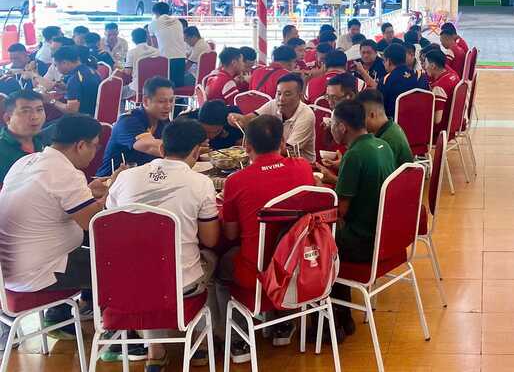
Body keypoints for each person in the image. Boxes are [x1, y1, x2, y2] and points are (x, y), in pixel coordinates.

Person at [106, 119, 219, 369]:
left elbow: (110, 224)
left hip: (123, 286)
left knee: (144, 261)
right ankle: (199, 344)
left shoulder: (125, 178)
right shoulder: (201, 183)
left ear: (161, 148)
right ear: (196, 152)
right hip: (180, 287)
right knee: (210, 259)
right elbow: (210, 240)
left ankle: (155, 351)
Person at [0, 114, 107, 330]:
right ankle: (118, 335)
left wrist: (87, 191)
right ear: (80, 145)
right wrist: (112, 193)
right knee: (119, 264)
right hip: (42, 273)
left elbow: (51, 201)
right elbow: (94, 224)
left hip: (11, 272)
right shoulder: (65, 172)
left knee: (89, 250)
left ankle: (62, 315)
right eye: (95, 146)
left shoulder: (26, 162)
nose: (95, 152)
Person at [220, 115, 314, 359]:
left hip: (258, 274)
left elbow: (230, 234)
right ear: (282, 143)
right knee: (276, 245)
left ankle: (239, 338)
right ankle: (284, 322)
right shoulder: (303, 167)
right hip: (300, 265)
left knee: (222, 264)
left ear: (246, 146)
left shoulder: (236, 181)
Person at [328, 99, 396, 335]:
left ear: (342, 127)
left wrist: (319, 188)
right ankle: (341, 314)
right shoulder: (382, 145)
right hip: (384, 235)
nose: (330, 128)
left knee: (320, 241)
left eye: (332, 124)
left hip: (361, 241)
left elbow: (340, 211)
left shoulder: (354, 155)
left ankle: (336, 318)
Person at [98, 76, 175, 176]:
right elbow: (150, 146)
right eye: (161, 101)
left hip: (143, 177)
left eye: (171, 101)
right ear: (146, 101)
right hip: (111, 181)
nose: (168, 106)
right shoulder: (128, 121)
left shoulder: (163, 121)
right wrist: (186, 148)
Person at [230, 75, 315, 162]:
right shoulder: (273, 104)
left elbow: (286, 151)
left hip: (300, 163)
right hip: (274, 160)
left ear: (300, 96)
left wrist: (254, 147)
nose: (281, 99)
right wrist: (239, 119)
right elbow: (250, 119)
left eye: (287, 94)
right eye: (279, 93)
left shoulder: (306, 115)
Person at [0, 89, 51, 182]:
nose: (35, 116)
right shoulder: (2, 149)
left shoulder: (44, 139)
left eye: (39, 110)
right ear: (8, 118)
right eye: (26, 111)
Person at [357, 89, 413, 168]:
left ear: (372, 115)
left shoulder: (385, 142)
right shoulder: (391, 128)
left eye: (360, 118)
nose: (359, 123)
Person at [49, 45, 100, 117]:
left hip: (83, 119)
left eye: (56, 65)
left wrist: (51, 100)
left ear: (64, 62)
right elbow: (85, 91)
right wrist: (66, 88)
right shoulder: (92, 70)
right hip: (95, 113)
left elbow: (71, 110)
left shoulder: (75, 79)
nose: (57, 69)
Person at [379, 43, 428, 119]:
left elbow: (381, 109)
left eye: (384, 61)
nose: (384, 64)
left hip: (395, 125)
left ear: (389, 61)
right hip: (421, 122)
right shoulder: (421, 76)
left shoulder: (385, 81)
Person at [148, 2, 188, 87]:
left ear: (156, 13)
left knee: (166, 86)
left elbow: (155, 46)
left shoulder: (153, 24)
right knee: (179, 87)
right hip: (181, 57)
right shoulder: (178, 22)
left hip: (165, 58)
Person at [424, 48, 461, 136]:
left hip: (440, 133)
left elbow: (437, 120)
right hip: (453, 126)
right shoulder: (454, 75)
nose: (424, 67)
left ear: (433, 66)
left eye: (425, 64)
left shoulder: (439, 88)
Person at [123, 27, 159, 99]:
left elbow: (128, 72)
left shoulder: (132, 52)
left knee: (117, 92)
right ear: (147, 37)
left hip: (137, 88)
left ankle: (121, 107)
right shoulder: (157, 51)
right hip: (156, 87)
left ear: (133, 40)